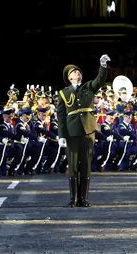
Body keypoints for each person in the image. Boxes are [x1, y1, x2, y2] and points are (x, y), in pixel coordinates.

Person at [56, 54, 110, 207]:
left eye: (79, 72)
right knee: (72, 166)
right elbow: (61, 116)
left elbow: (99, 79)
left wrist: (103, 66)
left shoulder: (88, 87)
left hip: (88, 130)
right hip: (72, 132)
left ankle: (84, 198)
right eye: (74, 72)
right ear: (69, 77)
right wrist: (62, 135)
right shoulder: (63, 93)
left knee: (86, 165)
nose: (77, 73)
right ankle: (73, 198)